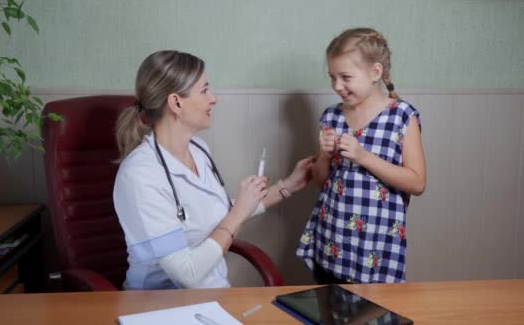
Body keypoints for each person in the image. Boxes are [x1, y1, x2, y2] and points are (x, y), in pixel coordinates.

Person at [113, 50, 314, 289]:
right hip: (158, 306)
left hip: (213, 296)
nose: (214, 98)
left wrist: (286, 187)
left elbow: (214, 212)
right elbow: (187, 273)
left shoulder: (198, 149)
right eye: (205, 90)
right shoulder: (140, 175)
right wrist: (239, 212)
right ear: (176, 103)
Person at [296, 28, 426, 284]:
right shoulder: (331, 116)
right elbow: (321, 181)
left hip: (376, 248)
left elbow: (417, 182)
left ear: (375, 73)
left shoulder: (401, 116)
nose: (336, 86)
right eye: (332, 77)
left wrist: (363, 156)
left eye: (345, 77)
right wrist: (324, 154)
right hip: (331, 239)